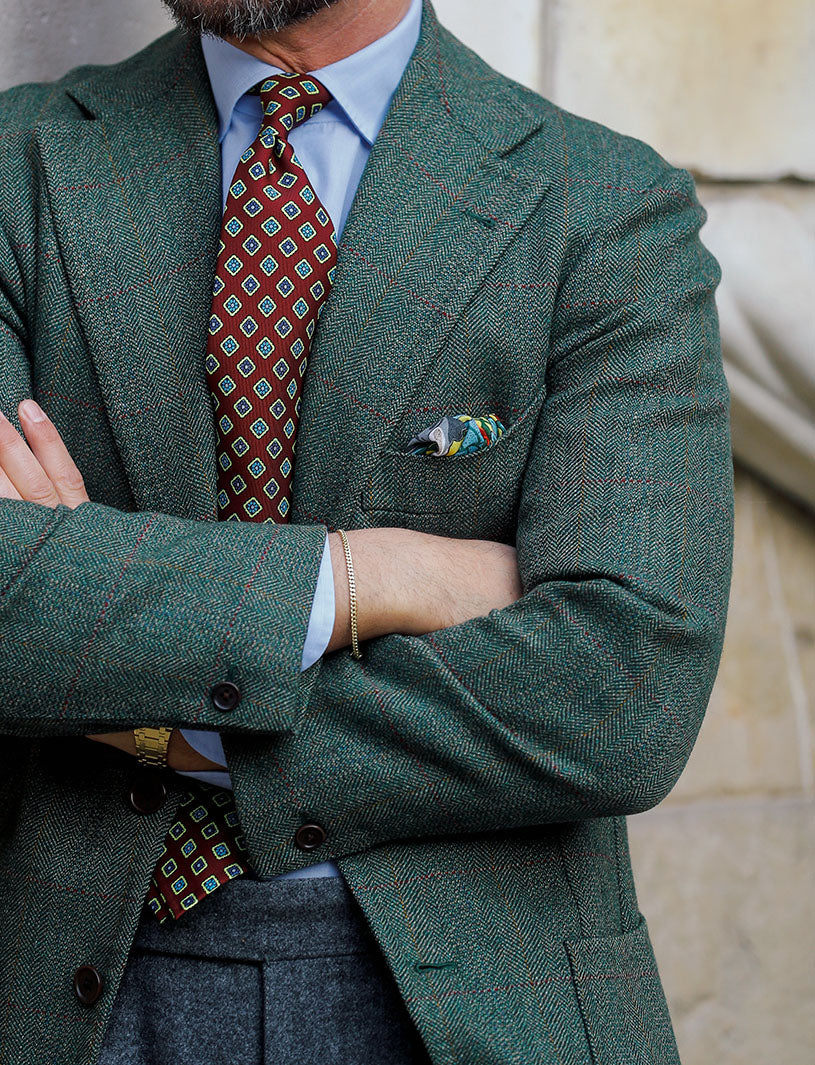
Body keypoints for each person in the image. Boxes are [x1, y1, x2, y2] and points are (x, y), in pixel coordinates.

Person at [0, 0, 734, 1061]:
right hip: (66, 981)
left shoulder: (606, 206)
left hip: (473, 994)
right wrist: (363, 577)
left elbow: (625, 691)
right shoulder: (19, 169)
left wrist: (151, 705)